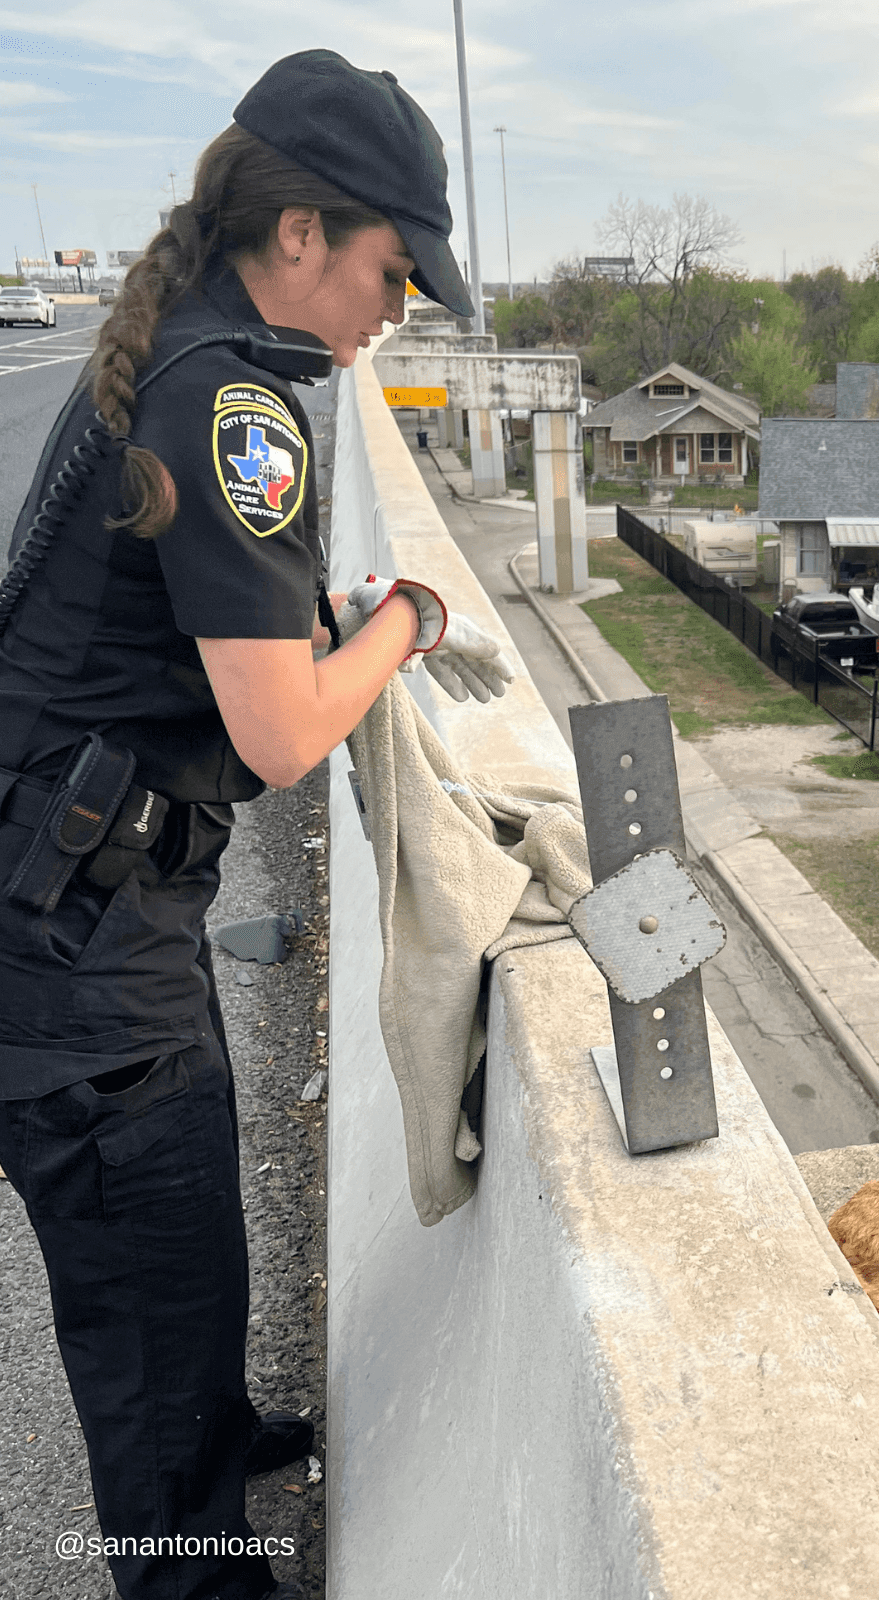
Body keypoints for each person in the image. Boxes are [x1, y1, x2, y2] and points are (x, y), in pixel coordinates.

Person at [0, 50, 508, 1600]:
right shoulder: (232, 403)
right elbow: (283, 734)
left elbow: (227, 649)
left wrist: (330, 627)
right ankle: (186, 1556)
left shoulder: (202, 354)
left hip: (96, 904)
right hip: (76, 956)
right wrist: (412, 617)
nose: (394, 312)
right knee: (150, 1304)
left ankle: (211, 1455)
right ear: (301, 233)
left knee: (190, 1248)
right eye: (388, 271)